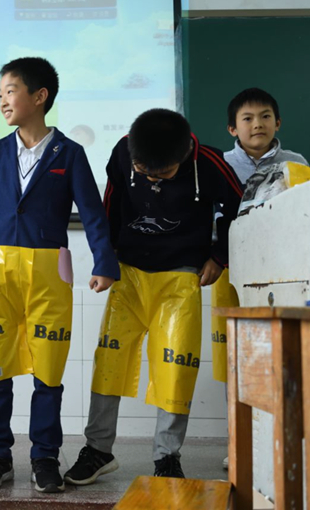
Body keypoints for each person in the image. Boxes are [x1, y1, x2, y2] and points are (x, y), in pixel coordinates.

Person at [0, 57, 119, 493]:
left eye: (10, 91)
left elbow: (93, 213)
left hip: (49, 276)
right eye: (0, 94)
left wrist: (105, 262)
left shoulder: (70, 153)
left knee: (48, 373)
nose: (3, 100)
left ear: (39, 96)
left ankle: (45, 456)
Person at [64, 109, 243, 483]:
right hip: (129, 271)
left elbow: (238, 209)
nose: (149, 178)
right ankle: (98, 450)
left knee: (176, 366)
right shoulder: (123, 152)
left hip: (180, 276)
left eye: (159, 174)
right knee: (109, 362)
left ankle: (167, 456)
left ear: (182, 156)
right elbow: (108, 205)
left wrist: (218, 257)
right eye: (142, 171)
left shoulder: (209, 163)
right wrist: (106, 259)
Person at [212, 87, 309, 468]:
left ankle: (276, 438)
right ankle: (238, 441)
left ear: (278, 122)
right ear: (233, 128)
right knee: (234, 359)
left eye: (265, 116)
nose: (258, 124)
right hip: (231, 273)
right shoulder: (218, 165)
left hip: (282, 273)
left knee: (279, 356)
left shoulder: (295, 162)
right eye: (248, 119)